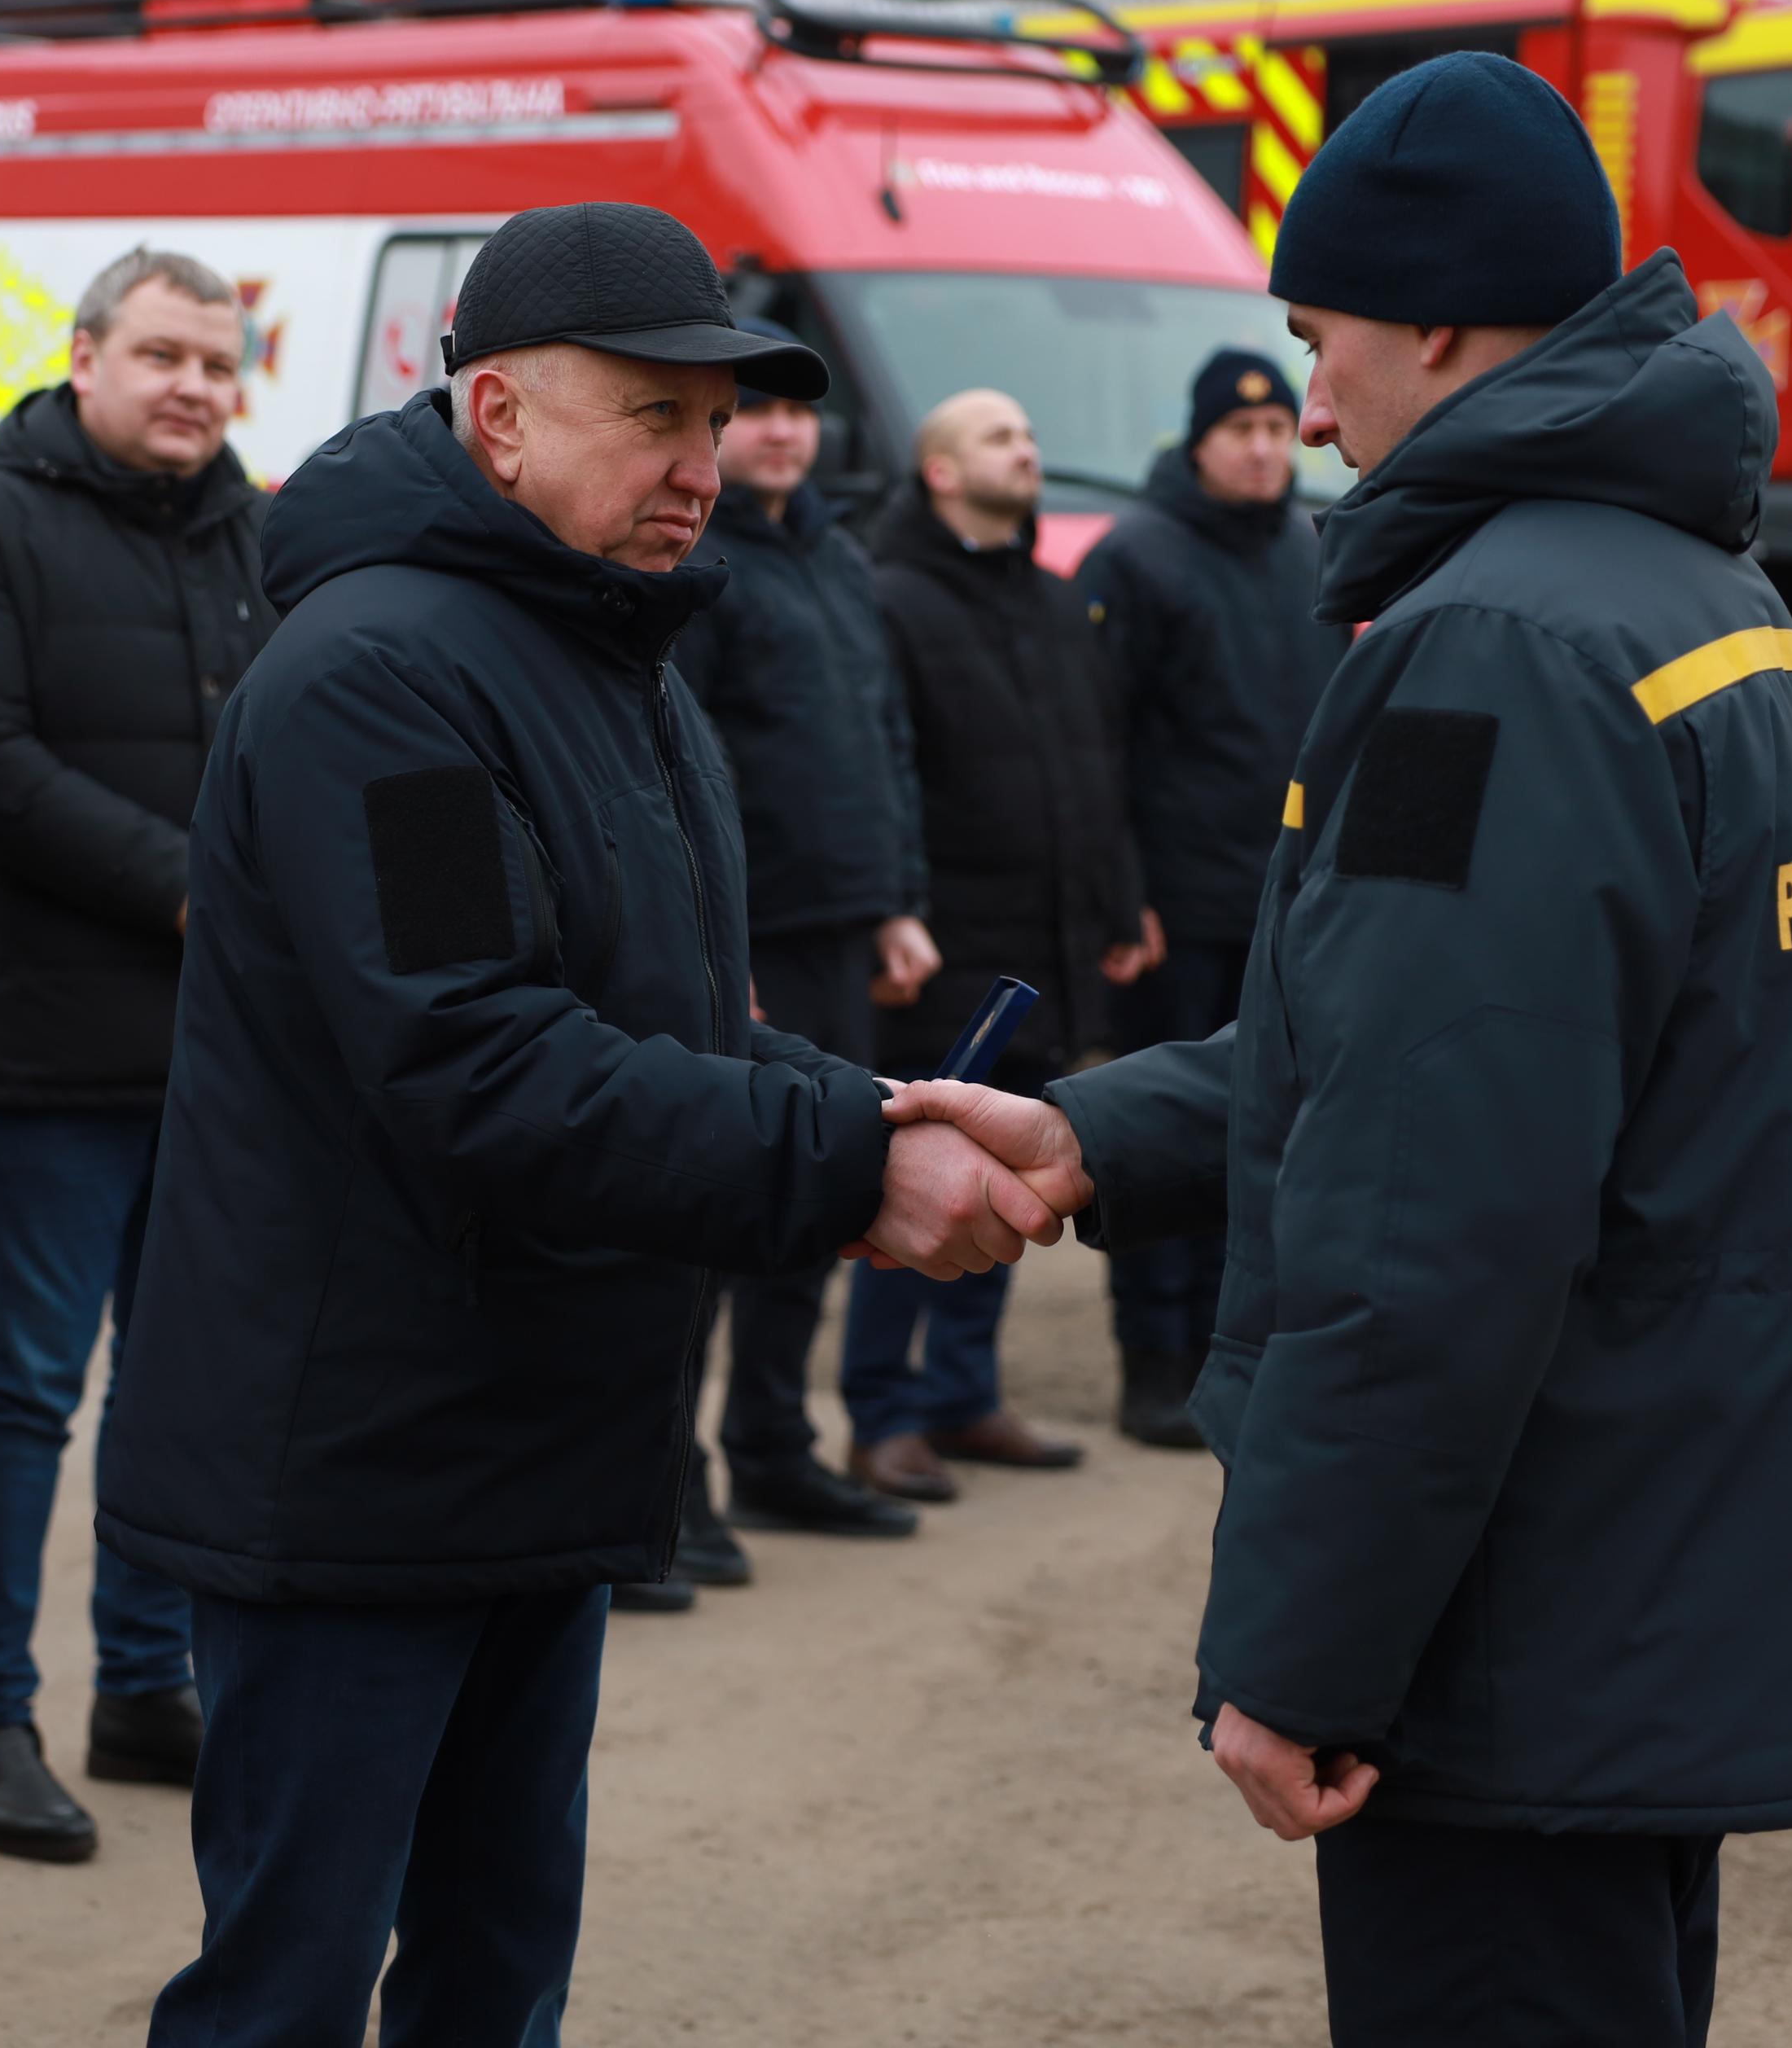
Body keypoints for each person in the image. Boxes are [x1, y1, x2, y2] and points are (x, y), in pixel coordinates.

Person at [883, 53, 1792, 2046]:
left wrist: (1305, 1656)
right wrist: (1087, 1130)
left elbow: (1432, 1213)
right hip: (1647, 1578)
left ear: (1435, 322)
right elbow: (1458, 1056)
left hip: (1522, 1620)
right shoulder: (1699, 600)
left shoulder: (1491, 652)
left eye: (1316, 343)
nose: (1312, 405)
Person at [94, 201, 1067, 2047]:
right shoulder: (382, 674)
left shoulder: (617, 661)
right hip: (361, 1460)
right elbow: (484, 1067)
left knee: (495, 1965)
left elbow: (677, 1028)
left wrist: (877, 1103)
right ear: (499, 421)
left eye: (715, 424)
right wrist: (856, 1168)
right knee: (288, 1989)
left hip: (535, 1436)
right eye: (651, 415)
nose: (697, 464)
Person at [0, 248, 269, 1862]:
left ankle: (142, 1686)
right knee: (26, 1390)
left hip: (224, 1048)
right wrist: (195, 882)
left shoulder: (263, 538)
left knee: (180, 1388)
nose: (193, 385)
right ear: (86, 355)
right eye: (164, 353)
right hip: (46, 1041)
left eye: (218, 362)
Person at [660, 340, 932, 1594]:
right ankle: (670, 1489)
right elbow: (678, 767)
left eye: (794, 416)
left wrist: (897, 903)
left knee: (822, 1191)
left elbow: (881, 739)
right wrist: (728, 951)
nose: (779, 435)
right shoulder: (700, 565)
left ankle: (771, 1444)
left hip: (843, 923)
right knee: (709, 1220)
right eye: (753, 413)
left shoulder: (835, 554)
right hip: (749, 941)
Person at [847, 388, 1149, 1506]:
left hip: (1046, 940)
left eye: (1029, 434)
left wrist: (1121, 905)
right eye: (999, 438)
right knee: (914, 1176)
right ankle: (880, 1418)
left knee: (1008, 1183)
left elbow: (1098, 767)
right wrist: (895, 908)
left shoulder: (1058, 601)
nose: (1027, 452)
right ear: (938, 471)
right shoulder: (891, 600)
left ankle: (964, 1400)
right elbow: (884, 775)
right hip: (942, 947)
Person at [1076, 349, 1343, 1449]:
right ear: (1198, 443)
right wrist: (1119, 895)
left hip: (1278, 903)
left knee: (1263, 1143)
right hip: (1174, 905)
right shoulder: (1135, 559)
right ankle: (1152, 1361)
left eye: (1280, 431)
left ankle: (1225, 1354)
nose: (1266, 450)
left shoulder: (1308, 549)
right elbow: (1095, 749)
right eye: (1242, 434)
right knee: (1159, 1139)